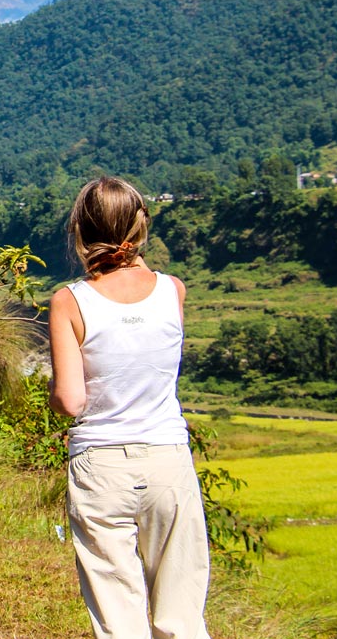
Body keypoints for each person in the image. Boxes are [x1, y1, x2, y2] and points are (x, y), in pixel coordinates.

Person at [48, 176, 212, 639]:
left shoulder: (69, 302)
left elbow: (70, 400)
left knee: (119, 617)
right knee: (181, 614)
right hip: (167, 457)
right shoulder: (172, 290)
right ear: (141, 227)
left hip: (101, 465)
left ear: (79, 230)